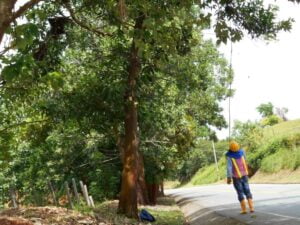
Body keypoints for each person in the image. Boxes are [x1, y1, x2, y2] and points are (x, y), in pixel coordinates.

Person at [226, 141, 254, 214]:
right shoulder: (242, 152)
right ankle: (251, 208)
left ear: (230, 148)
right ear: (238, 147)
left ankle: (244, 210)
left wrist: (229, 177)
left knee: (240, 192)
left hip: (236, 177)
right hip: (245, 175)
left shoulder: (229, 156)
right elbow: (245, 161)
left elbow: (229, 167)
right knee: (247, 190)